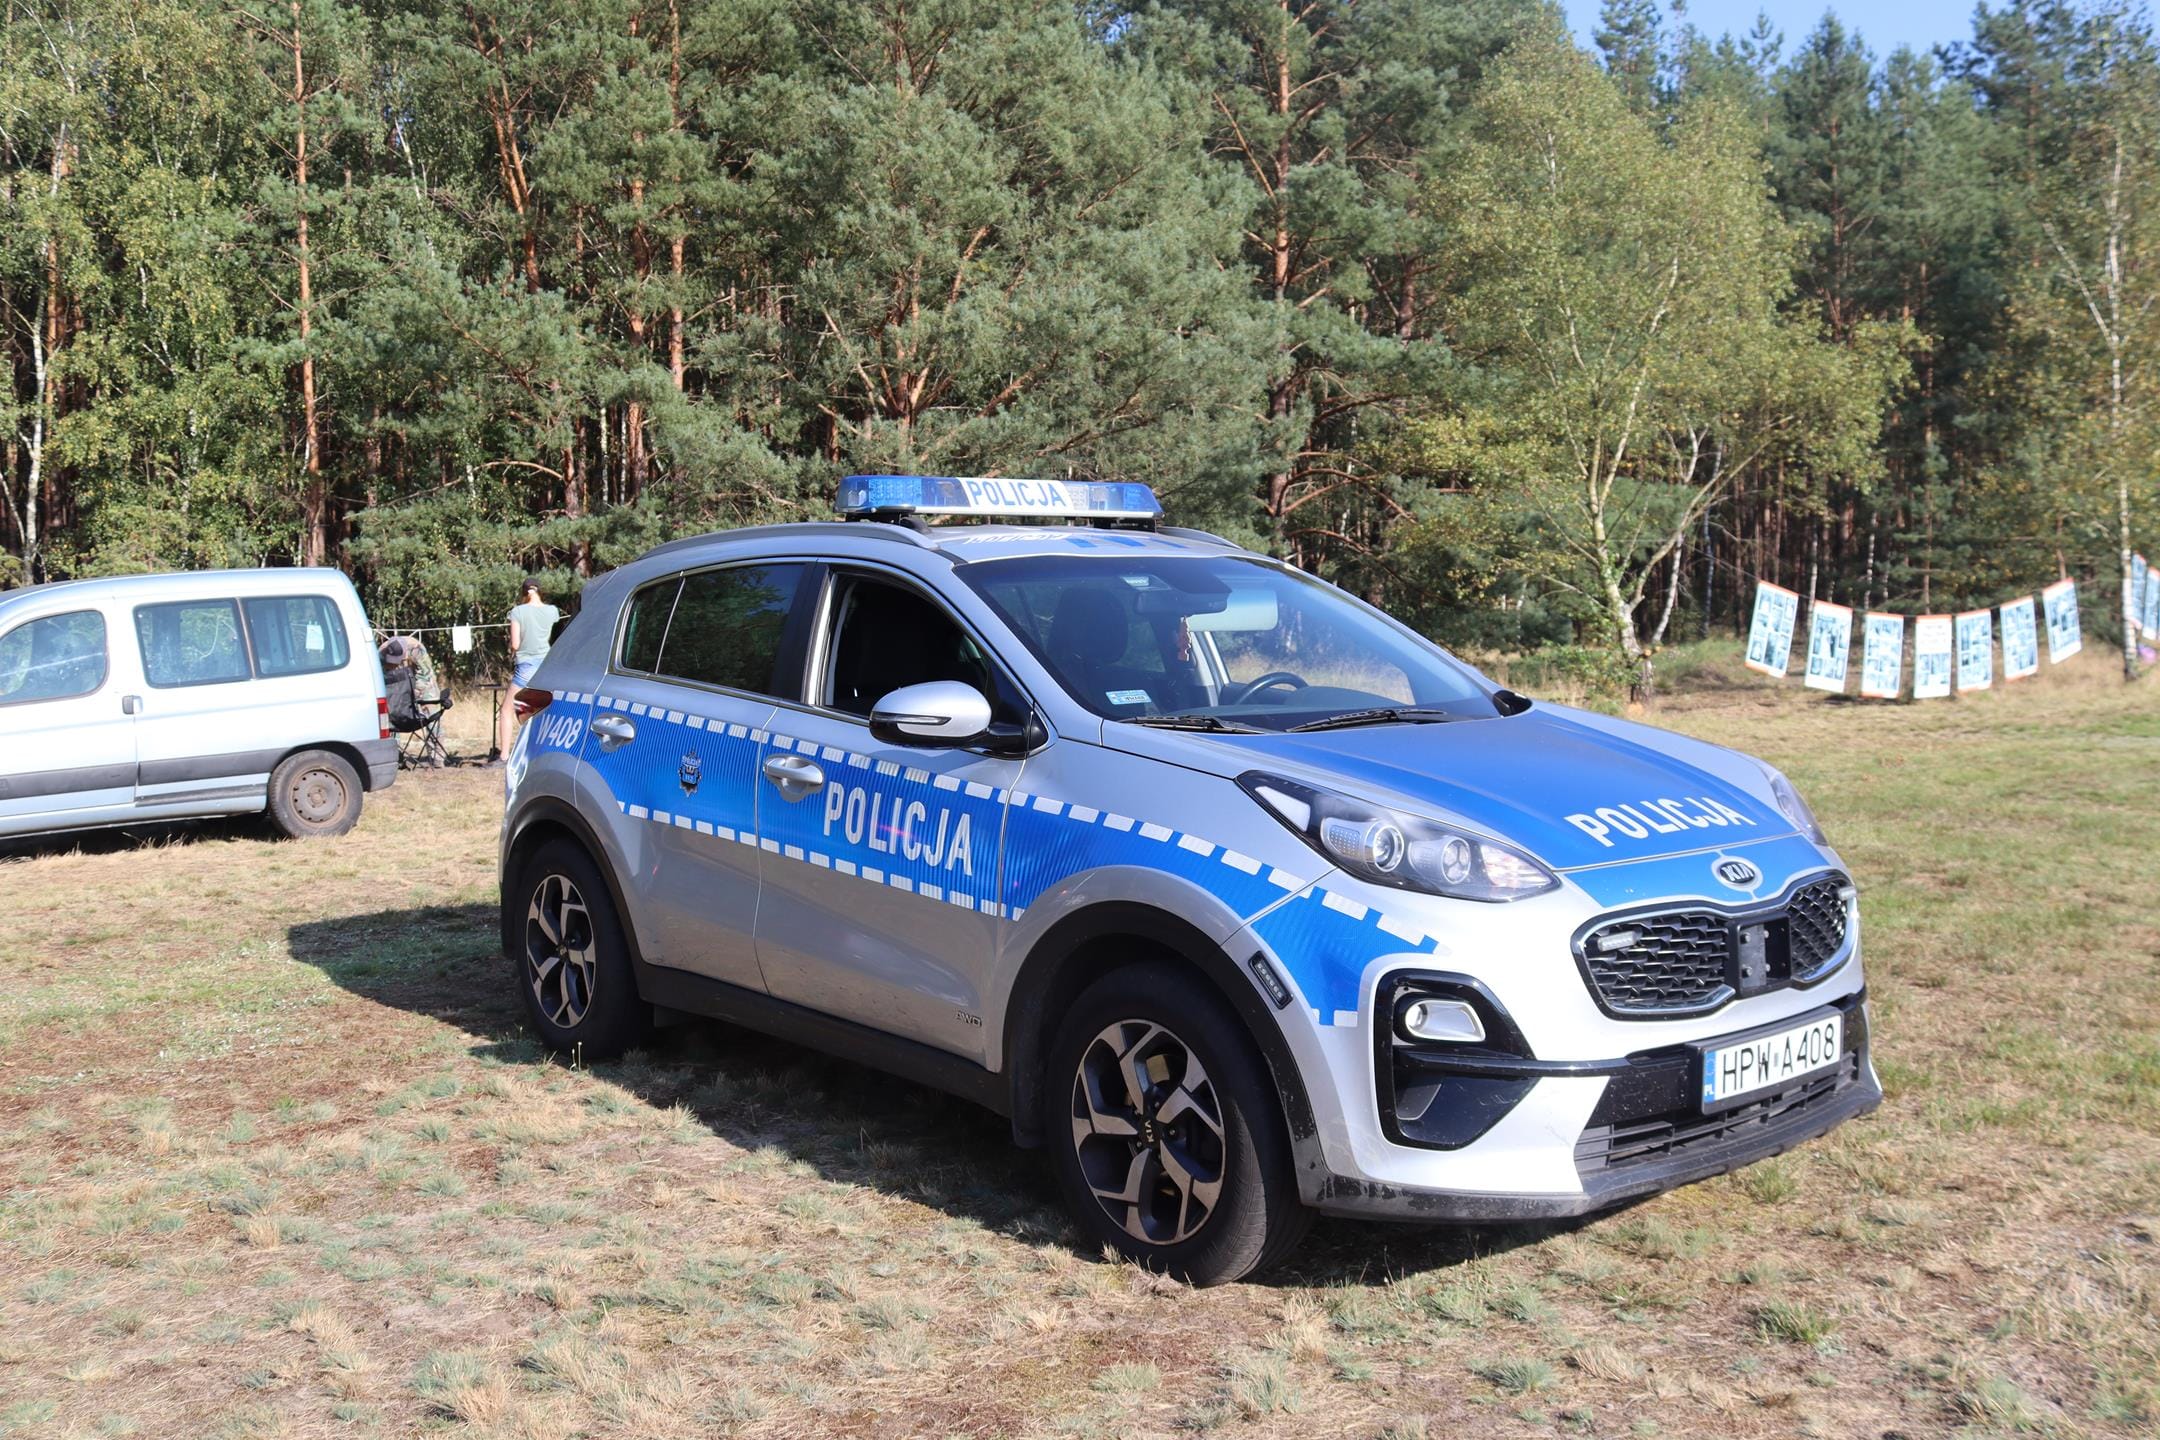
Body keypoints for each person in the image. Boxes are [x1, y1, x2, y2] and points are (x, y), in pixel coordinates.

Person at [496, 578, 561, 762]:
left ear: (525, 592)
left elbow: (516, 644)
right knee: (539, 710)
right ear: (540, 591)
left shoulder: (517, 612)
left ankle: (504, 756)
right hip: (547, 664)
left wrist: (510, 647)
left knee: (508, 710)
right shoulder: (552, 611)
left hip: (527, 664)